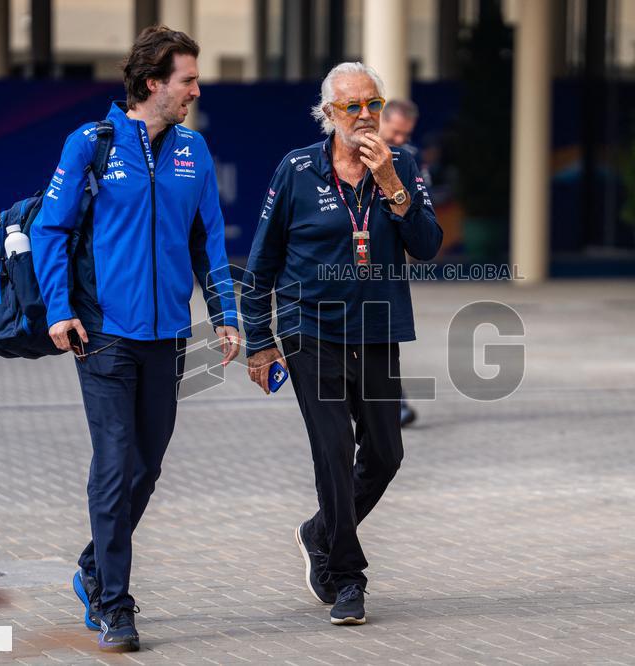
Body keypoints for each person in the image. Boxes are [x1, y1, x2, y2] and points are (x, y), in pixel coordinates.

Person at [31, 26, 240, 652]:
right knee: (116, 462)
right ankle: (114, 603)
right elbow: (50, 229)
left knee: (146, 466)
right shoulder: (90, 144)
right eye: (188, 81)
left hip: (168, 335)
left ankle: (94, 566)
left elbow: (210, 243)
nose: (196, 91)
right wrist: (60, 311)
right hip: (103, 336)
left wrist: (227, 314)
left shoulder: (193, 151)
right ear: (153, 83)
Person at [241, 62, 442, 625]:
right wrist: (260, 340)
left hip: (378, 330)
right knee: (332, 453)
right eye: (351, 107)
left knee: (385, 453)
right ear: (327, 113)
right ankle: (347, 576)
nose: (364, 117)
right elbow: (261, 263)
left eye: (372, 104)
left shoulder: (399, 165)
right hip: (312, 330)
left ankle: (319, 532)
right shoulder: (298, 169)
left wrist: (394, 190)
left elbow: (427, 246)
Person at [379, 99, 428, 427]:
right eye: (395, 132)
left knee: (382, 338)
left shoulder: (408, 161)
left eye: (405, 134)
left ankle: (393, 403)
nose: (399, 140)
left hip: (389, 266)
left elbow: (423, 215)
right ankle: (389, 403)